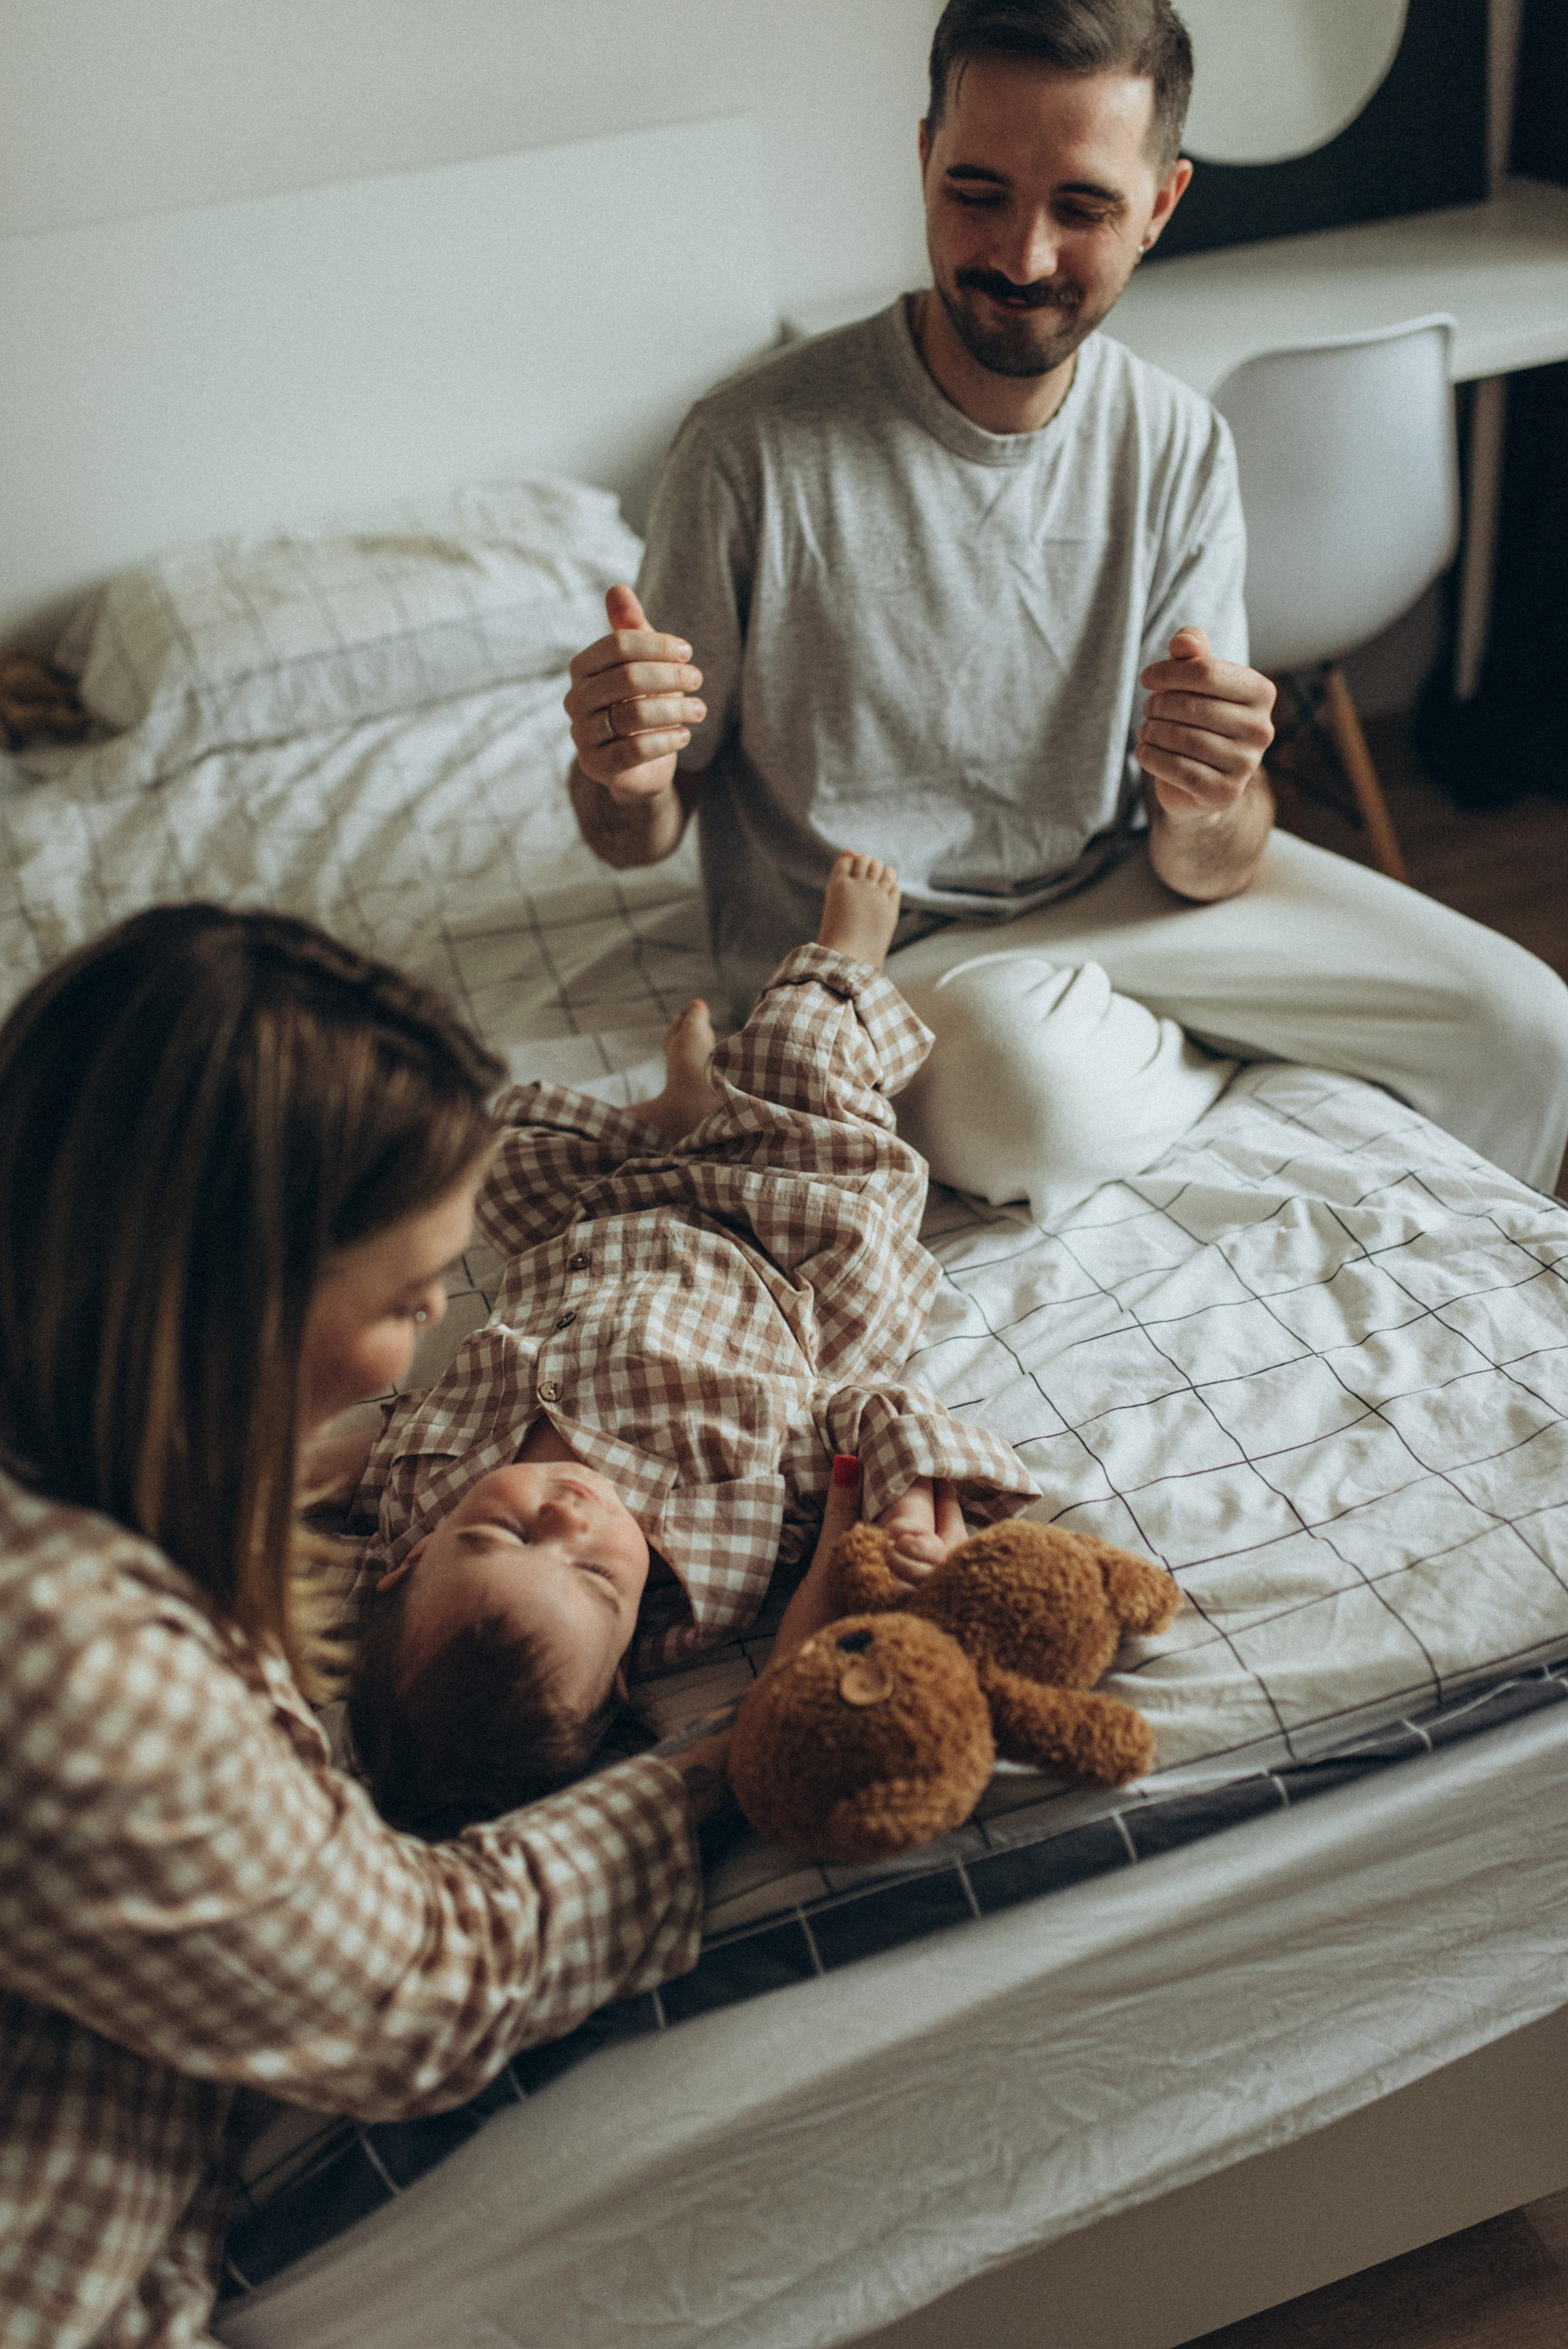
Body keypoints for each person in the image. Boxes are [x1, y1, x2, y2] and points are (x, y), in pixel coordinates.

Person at [563, 0, 1568, 1201]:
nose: (1021, 257)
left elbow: (1208, 858)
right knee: (1029, 1103)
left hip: (1123, 892)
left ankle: (1168, 1060)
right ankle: (1224, 1084)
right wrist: (618, 777)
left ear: (1159, 205)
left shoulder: (1176, 443)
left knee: (1530, 1028)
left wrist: (1207, 802)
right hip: (880, 952)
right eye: (975, 192)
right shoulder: (747, 447)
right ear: (923, 158)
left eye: (1081, 207)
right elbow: (641, 830)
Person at [0, 903, 756, 2348]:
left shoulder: (73, 1404)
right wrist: (726, 1751)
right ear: (225, 1302)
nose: (429, 1343)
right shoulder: (76, 1657)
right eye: (412, 1304)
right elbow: (428, 1977)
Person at [344, 853, 1038, 1838]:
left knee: (491, 1150)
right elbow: (860, 1439)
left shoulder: (416, 1504)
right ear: (628, 1657)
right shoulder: (725, 1550)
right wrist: (909, 1517)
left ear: (405, 1568)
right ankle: (849, 956)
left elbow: (365, 1453)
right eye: (595, 1577)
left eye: (505, 1534)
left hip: (607, 1224)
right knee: (798, 1050)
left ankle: (673, 1121)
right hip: (796, 1249)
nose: (569, 1519)